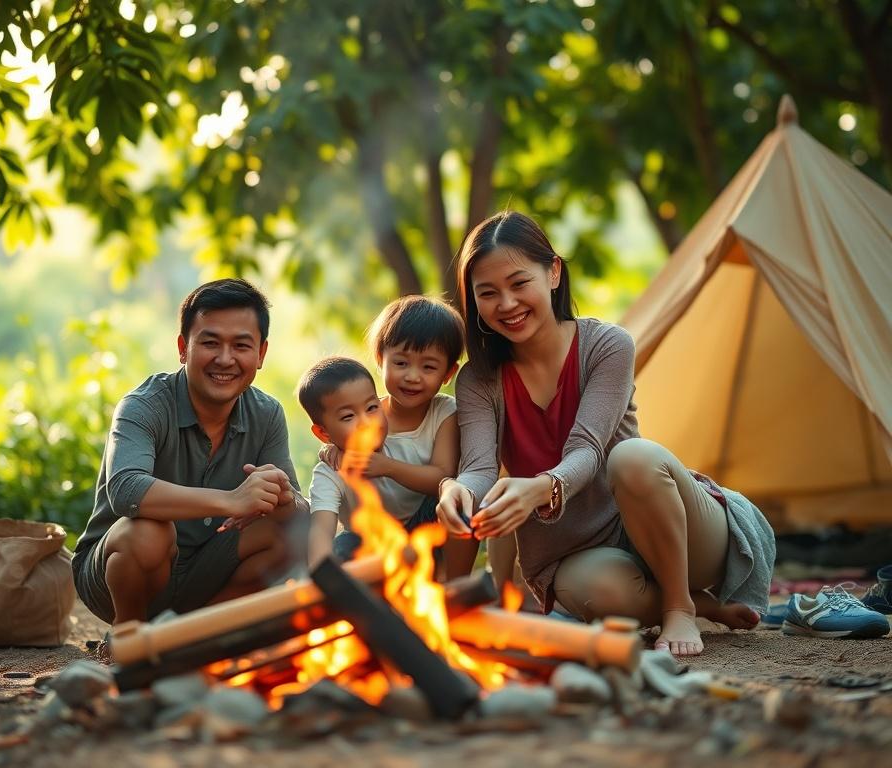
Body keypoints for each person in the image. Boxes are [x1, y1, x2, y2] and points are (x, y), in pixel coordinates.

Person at [436, 212, 775, 656]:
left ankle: (680, 607)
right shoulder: (479, 380)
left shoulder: (607, 345)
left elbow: (588, 450)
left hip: (677, 527)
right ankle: (705, 606)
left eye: (520, 283)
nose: (507, 303)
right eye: (488, 293)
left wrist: (541, 488)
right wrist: (456, 490)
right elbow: (479, 467)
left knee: (632, 457)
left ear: (553, 272)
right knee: (602, 594)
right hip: (581, 552)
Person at [72, 279, 308, 626]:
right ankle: (128, 639)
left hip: (208, 573)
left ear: (260, 354)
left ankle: (197, 634)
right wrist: (231, 500)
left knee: (290, 533)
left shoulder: (267, 413)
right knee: (149, 533)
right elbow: (126, 490)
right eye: (210, 343)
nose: (225, 359)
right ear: (183, 348)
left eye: (241, 345)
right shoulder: (143, 406)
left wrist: (286, 499)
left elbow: (299, 509)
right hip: (116, 575)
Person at [300, 296, 465, 566]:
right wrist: (336, 446)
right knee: (343, 551)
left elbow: (443, 475)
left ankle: (456, 588)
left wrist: (386, 466)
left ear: (448, 373)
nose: (413, 376)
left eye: (428, 367)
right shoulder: (365, 420)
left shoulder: (445, 413)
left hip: (425, 524)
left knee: (458, 497)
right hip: (370, 539)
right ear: (380, 360)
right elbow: (321, 528)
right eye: (401, 363)